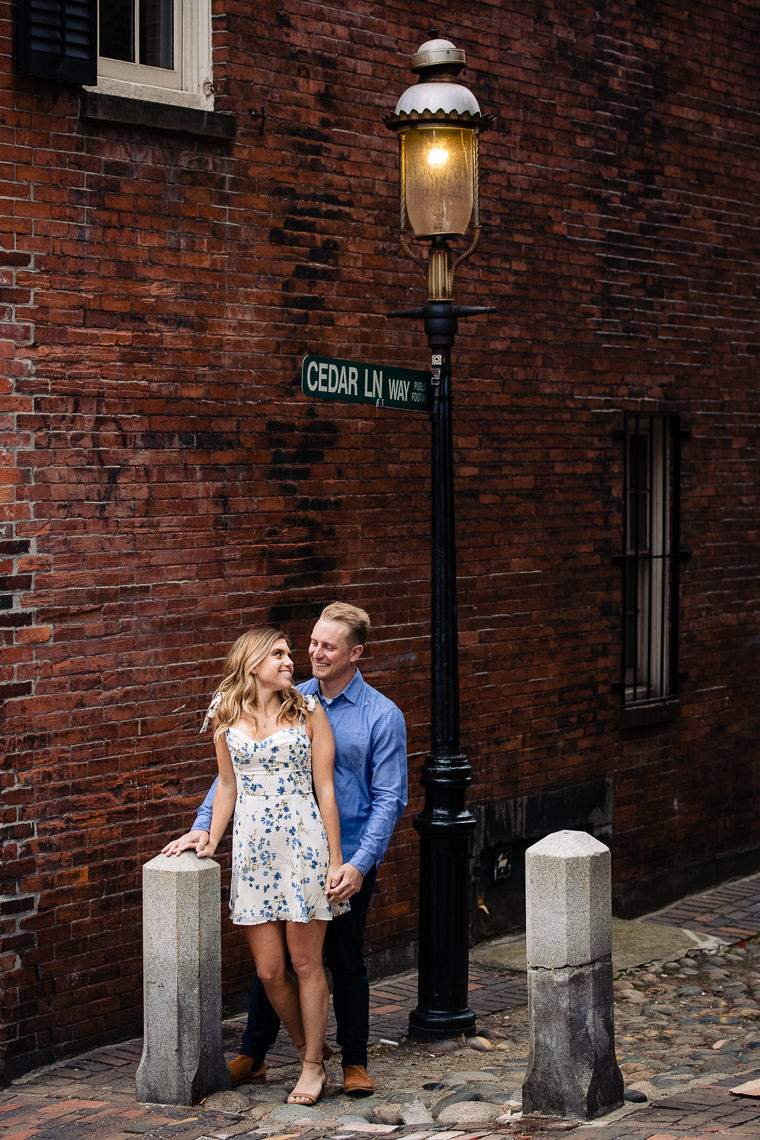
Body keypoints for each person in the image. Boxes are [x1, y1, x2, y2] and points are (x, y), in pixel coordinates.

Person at [163, 602, 408, 1096]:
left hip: (345, 848)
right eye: (311, 642)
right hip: (263, 850)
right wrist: (204, 828)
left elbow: (388, 798)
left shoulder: (380, 715)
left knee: (342, 960)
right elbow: (230, 778)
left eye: (326, 646)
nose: (311, 653)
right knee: (272, 966)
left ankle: (351, 1062)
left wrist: (355, 862)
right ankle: (259, 1053)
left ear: (354, 654)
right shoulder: (292, 697)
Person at [193, 626, 349, 1106]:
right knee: (268, 970)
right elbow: (226, 784)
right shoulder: (223, 711)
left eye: (288, 653)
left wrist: (337, 860)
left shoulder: (308, 711)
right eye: (278, 654)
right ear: (253, 661)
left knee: (306, 962)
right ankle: (309, 1044)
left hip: (303, 848)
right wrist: (209, 837)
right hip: (253, 852)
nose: (290, 661)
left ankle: (311, 1068)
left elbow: (325, 788)